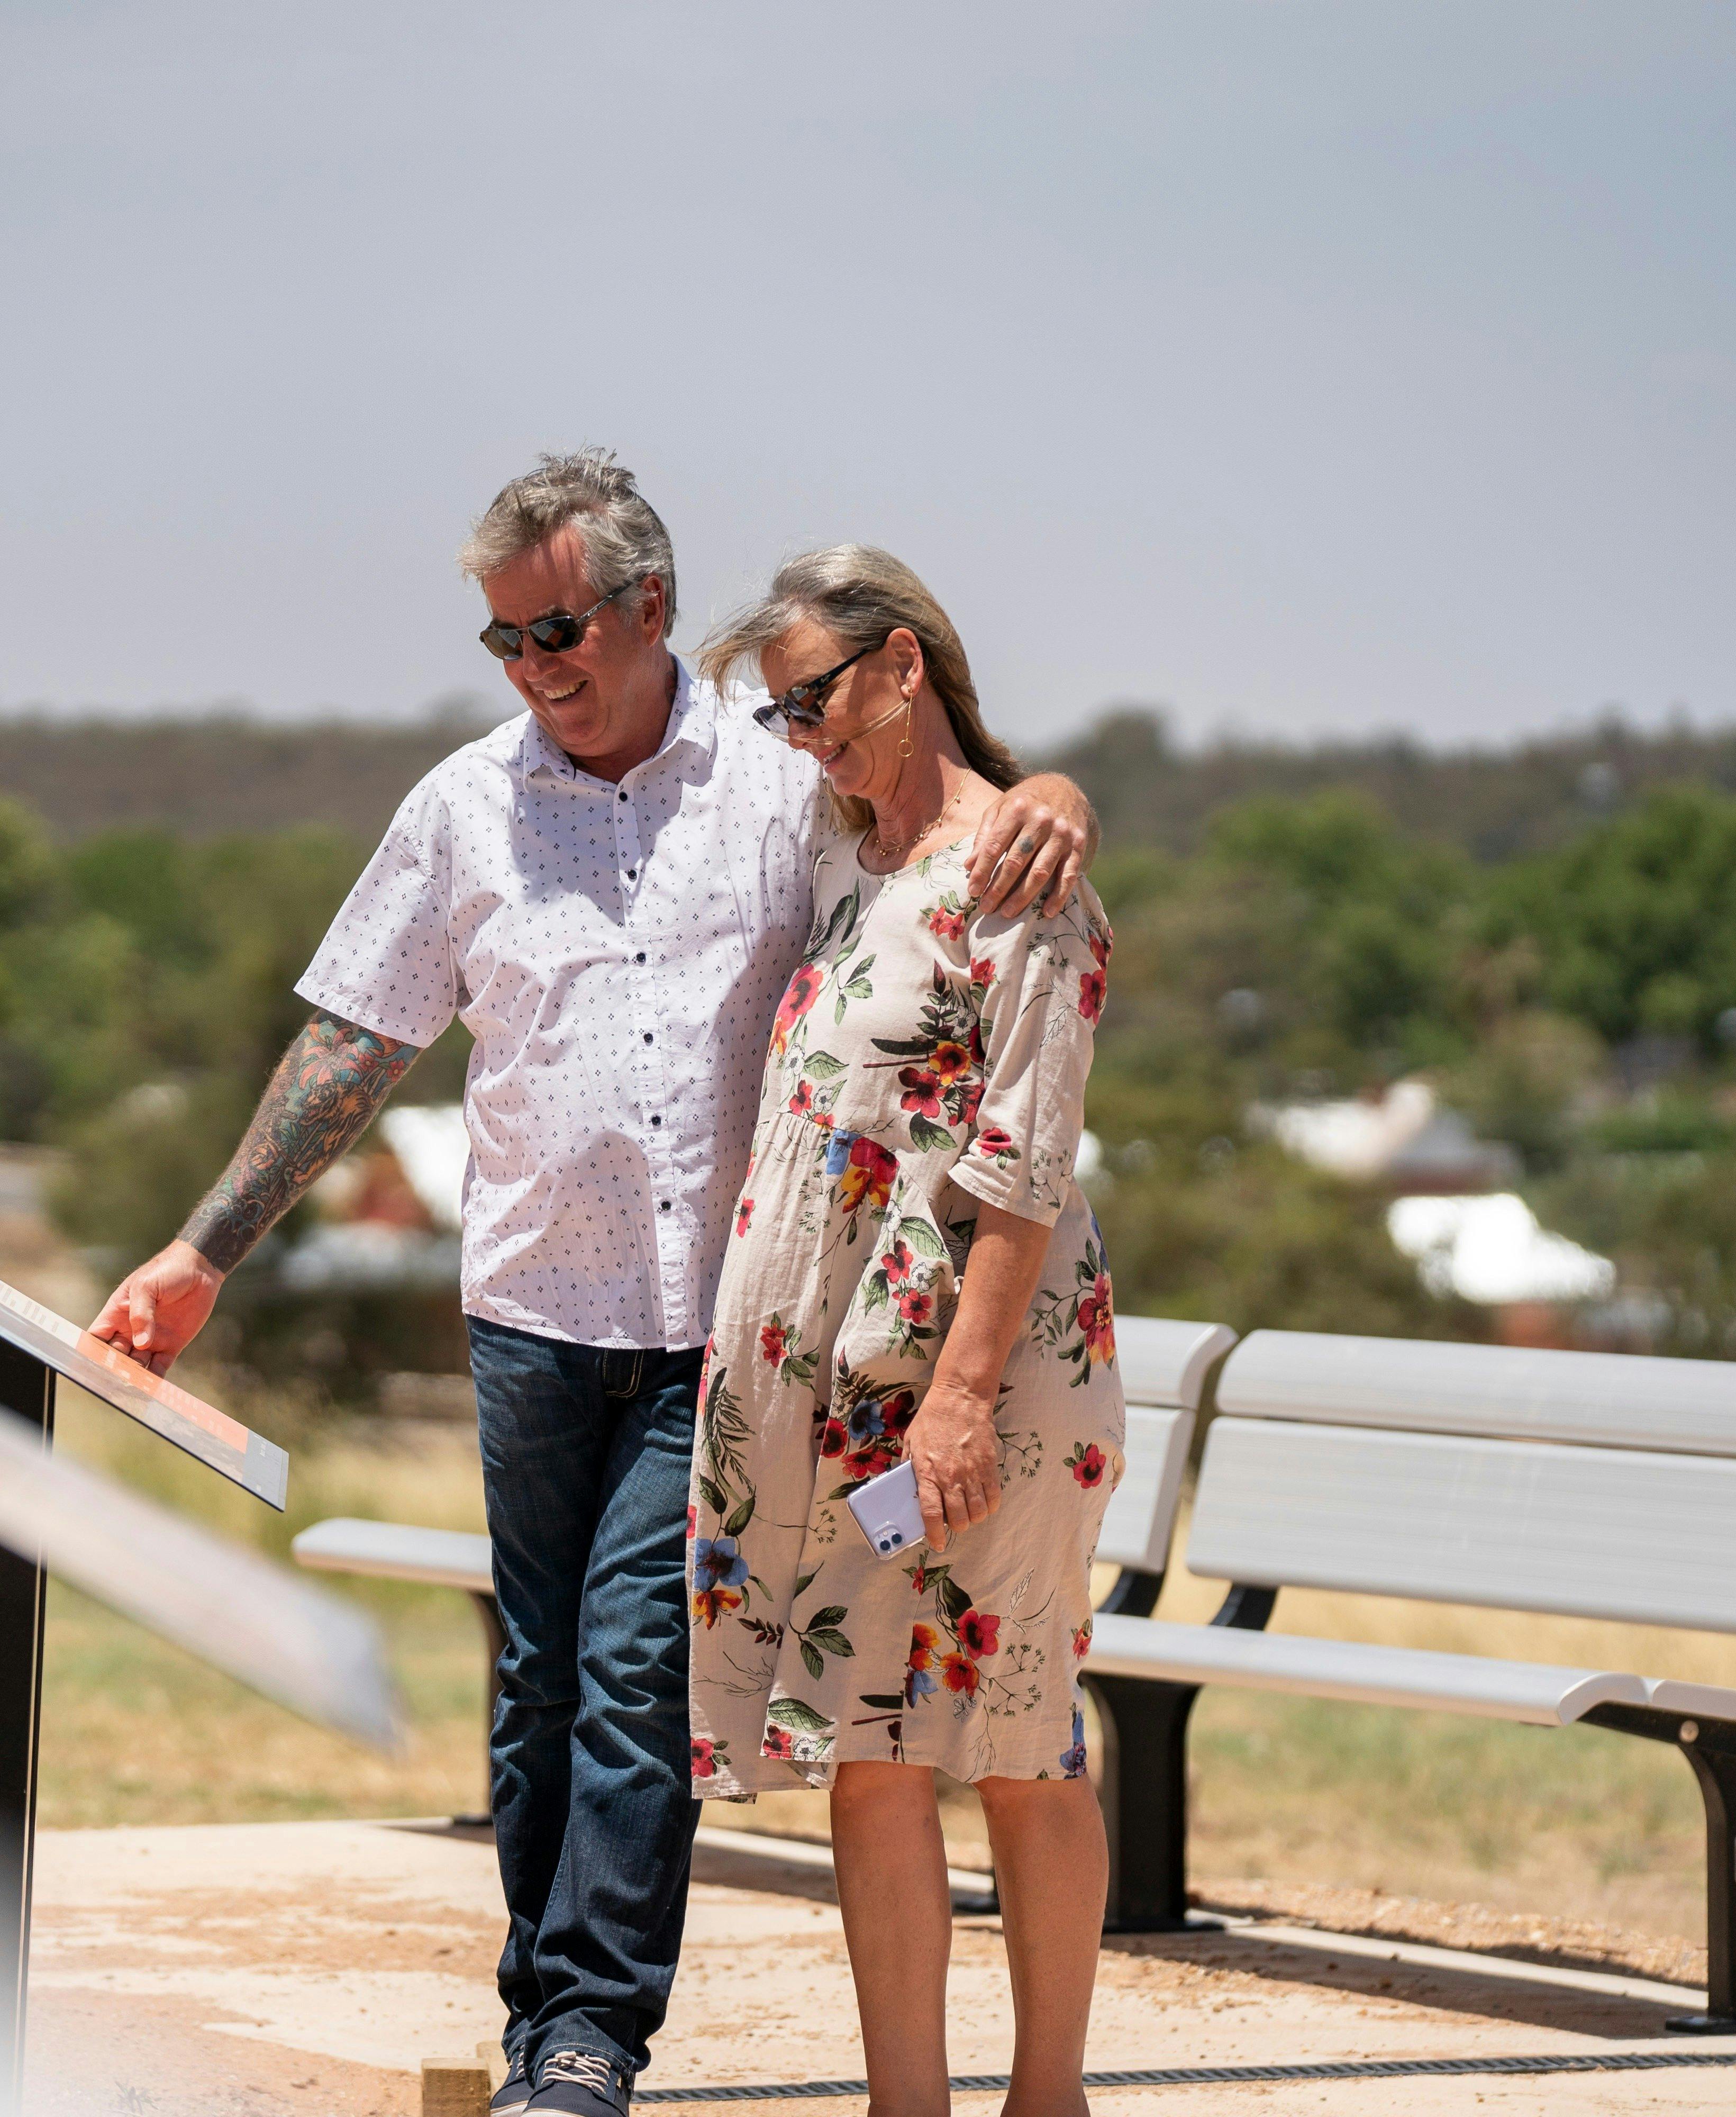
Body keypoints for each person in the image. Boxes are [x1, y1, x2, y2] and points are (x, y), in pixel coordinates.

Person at [90, 453, 1097, 2117]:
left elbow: (952, 848)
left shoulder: (779, 778)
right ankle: (536, 2012)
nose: (532, 664)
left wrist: (1062, 788)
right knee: (539, 1686)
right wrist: (204, 1253)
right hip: (531, 1321)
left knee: (636, 1676)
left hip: (718, 1339)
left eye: (556, 627)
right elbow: (359, 1038)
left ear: (646, 608)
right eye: (501, 640)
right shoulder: (464, 806)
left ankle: (587, 2041)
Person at [686, 546, 1119, 2117]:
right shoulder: (841, 859)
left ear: (904, 664)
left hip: (987, 1389)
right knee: (863, 1746)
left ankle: (1046, 2100)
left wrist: (956, 1399)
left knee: (1019, 1743)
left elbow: (1021, 1163)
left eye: (816, 697)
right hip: (839, 1398)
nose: (802, 735)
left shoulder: (1019, 870)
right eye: (779, 714)